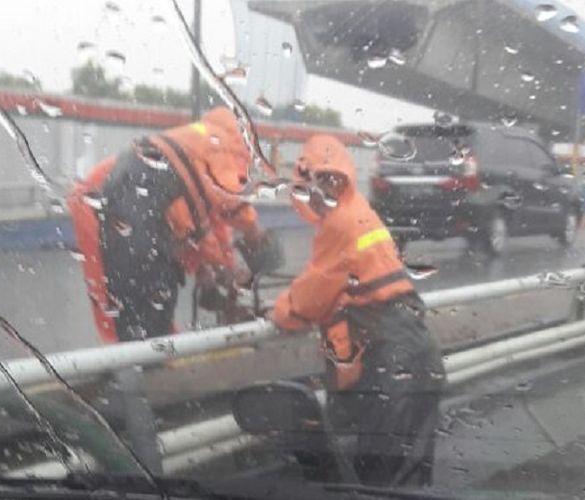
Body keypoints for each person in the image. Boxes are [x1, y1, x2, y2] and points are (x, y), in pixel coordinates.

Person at [271, 135, 445, 486]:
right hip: (421, 356)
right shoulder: (361, 212)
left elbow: (309, 299)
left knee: (378, 479)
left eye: (323, 182)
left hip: (391, 367)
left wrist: (277, 312)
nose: (317, 194)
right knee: (410, 479)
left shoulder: (339, 224)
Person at [68, 106, 266, 343]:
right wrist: (255, 236)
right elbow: (230, 199)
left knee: (139, 293)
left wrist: (214, 268)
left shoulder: (194, 156)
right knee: (139, 291)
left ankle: (144, 354)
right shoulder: (227, 142)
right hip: (102, 201)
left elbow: (199, 226)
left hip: (122, 200)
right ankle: (141, 363)